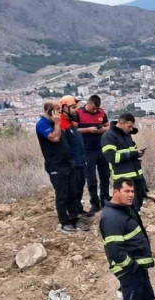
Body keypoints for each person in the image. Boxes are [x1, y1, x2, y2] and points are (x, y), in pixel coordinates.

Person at [36, 101, 80, 233]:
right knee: (62, 194)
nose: (59, 112)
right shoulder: (42, 124)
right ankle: (64, 221)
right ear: (49, 110)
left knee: (73, 191)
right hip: (55, 165)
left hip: (67, 162)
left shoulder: (58, 122)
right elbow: (54, 138)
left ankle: (74, 218)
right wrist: (57, 123)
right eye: (56, 110)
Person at [101, 113, 149, 211]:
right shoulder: (108, 136)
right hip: (123, 179)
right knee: (128, 208)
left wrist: (138, 154)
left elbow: (131, 153)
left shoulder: (127, 135)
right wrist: (133, 154)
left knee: (137, 206)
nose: (131, 129)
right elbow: (112, 158)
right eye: (129, 126)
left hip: (136, 176)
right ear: (121, 123)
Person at [59, 95, 92, 228]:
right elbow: (64, 147)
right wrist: (70, 161)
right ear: (64, 108)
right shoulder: (62, 124)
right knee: (71, 191)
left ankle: (78, 210)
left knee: (79, 188)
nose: (75, 110)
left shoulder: (72, 123)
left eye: (76, 107)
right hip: (72, 164)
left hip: (80, 161)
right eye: (73, 107)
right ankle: (73, 218)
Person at [75, 95, 111, 213]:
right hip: (87, 150)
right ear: (89, 104)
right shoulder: (79, 113)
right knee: (91, 178)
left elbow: (108, 126)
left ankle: (105, 199)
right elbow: (74, 130)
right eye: (94, 108)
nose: (95, 111)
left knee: (105, 175)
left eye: (97, 109)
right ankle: (94, 203)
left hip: (101, 148)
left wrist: (102, 130)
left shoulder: (101, 113)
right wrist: (88, 130)